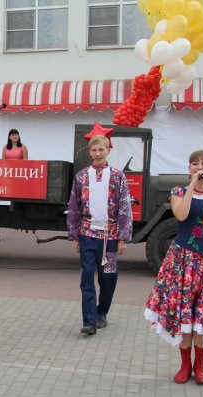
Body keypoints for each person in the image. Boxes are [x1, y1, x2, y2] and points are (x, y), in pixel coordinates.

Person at [144, 150, 203, 385]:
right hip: (182, 260)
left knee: (202, 312)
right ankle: (185, 366)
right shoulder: (178, 192)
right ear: (189, 168)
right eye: (195, 163)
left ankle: (199, 366)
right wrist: (192, 185)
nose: (200, 167)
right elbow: (181, 216)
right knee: (184, 311)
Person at [67, 135, 132, 336]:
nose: (97, 153)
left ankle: (101, 312)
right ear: (89, 152)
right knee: (86, 277)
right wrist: (74, 235)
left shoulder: (118, 176)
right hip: (87, 235)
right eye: (94, 150)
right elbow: (74, 205)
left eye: (101, 150)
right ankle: (89, 321)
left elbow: (125, 207)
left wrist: (122, 237)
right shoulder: (81, 176)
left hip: (110, 238)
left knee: (108, 277)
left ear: (108, 151)